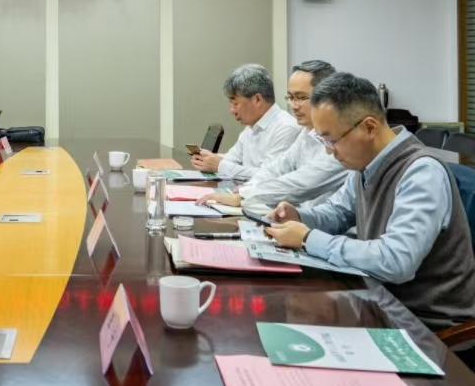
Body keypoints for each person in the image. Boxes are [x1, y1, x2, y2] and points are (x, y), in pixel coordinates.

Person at [266, 72, 475, 330]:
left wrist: (308, 238)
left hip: (425, 326)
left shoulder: (422, 173)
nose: (329, 151)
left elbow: (396, 261)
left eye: (332, 139)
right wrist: (299, 217)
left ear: (369, 127)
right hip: (379, 301)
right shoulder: (365, 164)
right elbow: (337, 213)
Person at [198, 60, 348, 213]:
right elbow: (278, 167)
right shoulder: (307, 132)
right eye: (291, 97)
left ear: (327, 98)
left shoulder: (343, 141)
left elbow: (302, 184)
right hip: (299, 216)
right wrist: (246, 190)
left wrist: (245, 195)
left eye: (301, 97)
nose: (294, 106)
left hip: (319, 221)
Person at [192, 64, 300, 179]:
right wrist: (209, 159)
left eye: (235, 103)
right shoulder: (251, 128)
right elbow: (233, 159)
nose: (232, 110)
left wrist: (219, 166)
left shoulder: (286, 128)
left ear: (257, 99)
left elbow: (269, 176)